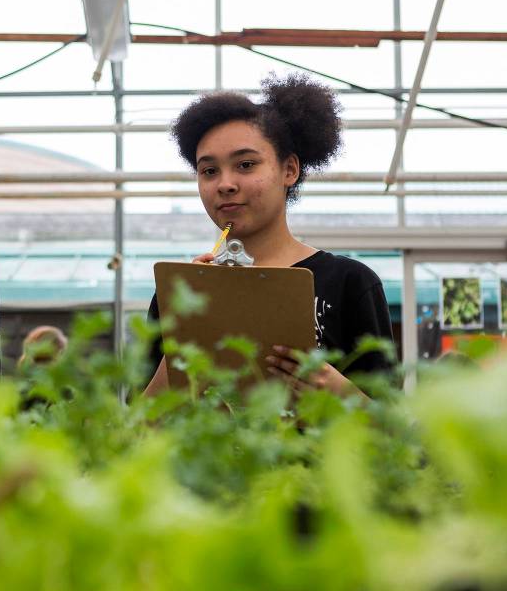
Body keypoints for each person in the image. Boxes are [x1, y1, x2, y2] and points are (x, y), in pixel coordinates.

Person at [144, 73, 393, 399]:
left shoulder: (349, 282)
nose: (225, 184)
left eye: (246, 165)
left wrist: (340, 393)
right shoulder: (178, 297)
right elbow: (141, 427)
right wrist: (188, 332)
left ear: (289, 170)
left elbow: (392, 430)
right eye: (209, 171)